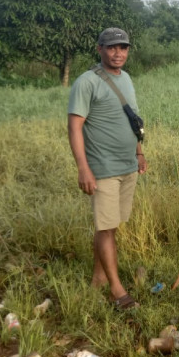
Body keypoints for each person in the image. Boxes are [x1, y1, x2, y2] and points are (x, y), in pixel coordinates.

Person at [68, 27, 147, 310]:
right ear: (99, 49)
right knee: (105, 226)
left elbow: (132, 119)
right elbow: (74, 127)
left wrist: (139, 152)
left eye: (123, 47)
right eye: (111, 47)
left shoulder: (125, 78)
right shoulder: (86, 82)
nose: (118, 53)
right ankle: (117, 290)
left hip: (127, 164)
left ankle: (99, 278)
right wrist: (83, 168)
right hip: (102, 167)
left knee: (110, 226)